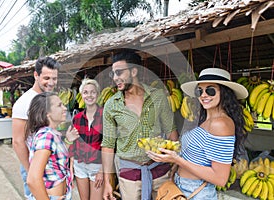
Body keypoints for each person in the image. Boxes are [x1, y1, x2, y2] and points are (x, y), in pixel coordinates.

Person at [147, 68, 248, 199]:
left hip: (197, 192)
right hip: (182, 186)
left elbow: (220, 178)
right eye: (199, 91)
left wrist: (176, 160)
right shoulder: (206, 120)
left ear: (224, 92)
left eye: (210, 90)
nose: (203, 95)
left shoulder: (221, 124)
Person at [101, 49, 179, 200]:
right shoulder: (111, 105)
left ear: (134, 71)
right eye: (113, 74)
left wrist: (175, 162)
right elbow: (108, 145)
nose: (115, 78)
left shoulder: (158, 97)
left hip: (160, 172)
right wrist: (107, 182)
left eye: (119, 73)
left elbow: (171, 131)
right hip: (129, 175)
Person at [12, 57, 61, 199]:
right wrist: (31, 172)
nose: (51, 83)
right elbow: (18, 141)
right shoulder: (25, 102)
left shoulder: (49, 99)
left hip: (51, 164)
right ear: (36, 75)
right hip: (35, 165)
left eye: (54, 78)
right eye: (46, 78)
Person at [25, 92, 78, 200]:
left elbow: (54, 160)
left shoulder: (51, 133)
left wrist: (68, 141)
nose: (64, 108)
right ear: (47, 113)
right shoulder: (47, 136)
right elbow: (33, 179)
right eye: (59, 105)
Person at [68, 78, 104, 200]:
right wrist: (71, 166)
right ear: (82, 95)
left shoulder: (105, 116)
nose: (89, 95)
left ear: (98, 94)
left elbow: (110, 145)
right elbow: (74, 143)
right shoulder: (77, 118)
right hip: (80, 165)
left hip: (97, 165)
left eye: (93, 92)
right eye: (85, 92)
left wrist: (102, 170)